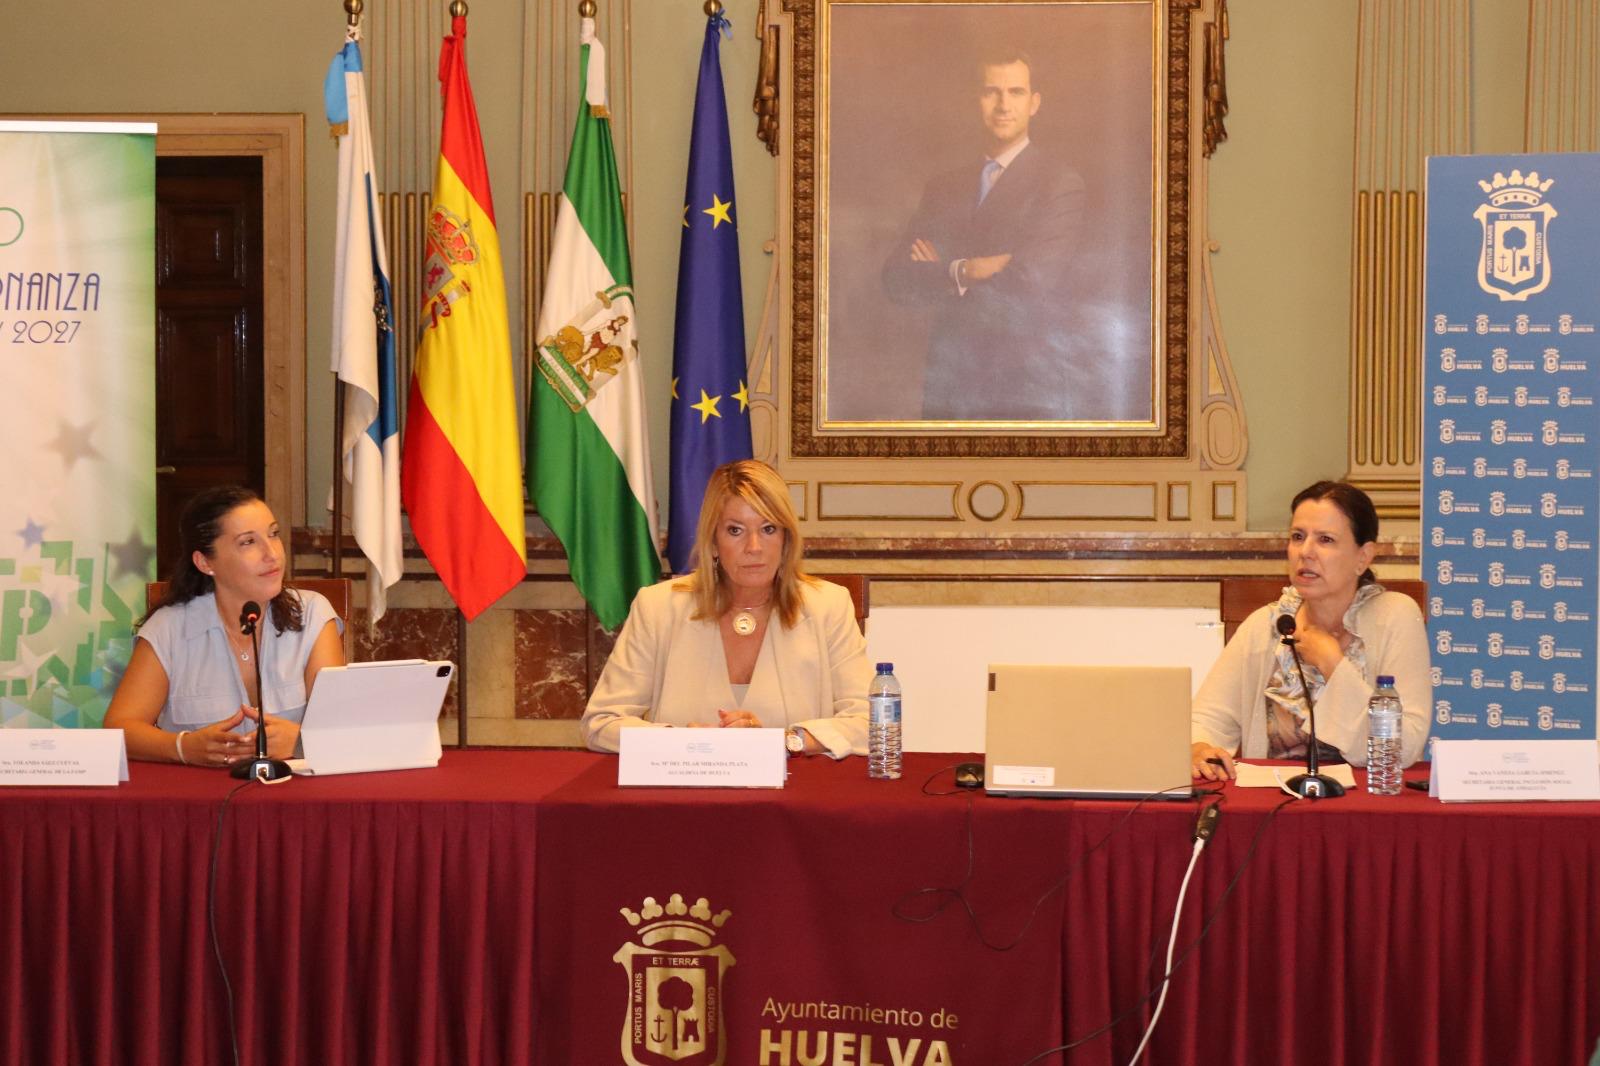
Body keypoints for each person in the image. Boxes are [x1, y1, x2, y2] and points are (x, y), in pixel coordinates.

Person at [582, 460, 870, 757]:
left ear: (786, 539)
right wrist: (680, 741)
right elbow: (601, 723)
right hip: (687, 785)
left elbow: (871, 723)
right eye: (735, 530)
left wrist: (785, 741)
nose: (754, 547)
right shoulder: (658, 607)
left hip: (793, 785)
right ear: (713, 541)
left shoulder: (828, 606)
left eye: (768, 528)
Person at [881, 48, 1090, 421]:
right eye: (991, 91)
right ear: (975, 100)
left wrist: (941, 271)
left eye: (1015, 92)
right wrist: (966, 270)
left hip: (1022, 388)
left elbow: (1029, 281)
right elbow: (896, 278)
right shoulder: (944, 187)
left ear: (1034, 103)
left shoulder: (1059, 184)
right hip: (948, 388)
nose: (1003, 105)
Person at [1191, 481, 1431, 782]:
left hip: (1366, 801)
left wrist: (1332, 663)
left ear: (1363, 557)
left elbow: (1405, 747)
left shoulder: (1394, 616)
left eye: (1325, 540)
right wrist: (1198, 747)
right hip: (1273, 799)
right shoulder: (1267, 625)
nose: (1305, 552)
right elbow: (1206, 720)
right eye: (1297, 537)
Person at [105, 486, 345, 766]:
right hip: (199, 791)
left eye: (273, 534)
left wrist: (300, 741)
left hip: (291, 788)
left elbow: (339, 727)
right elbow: (119, 729)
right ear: (205, 562)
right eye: (248, 542)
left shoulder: (312, 614)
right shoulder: (169, 628)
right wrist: (182, 747)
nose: (272, 554)